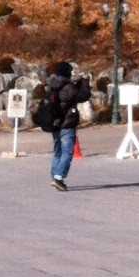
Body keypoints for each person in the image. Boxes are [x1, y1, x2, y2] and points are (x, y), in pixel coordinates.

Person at [36, 59, 89, 191]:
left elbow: (70, 94)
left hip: (55, 123)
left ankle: (55, 176)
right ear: (67, 73)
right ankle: (59, 178)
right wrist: (85, 82)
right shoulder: (68, 87)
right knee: (68, 152)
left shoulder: (53, 85)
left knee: (58, 151)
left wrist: (75, 83)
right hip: (66, 124)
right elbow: (83, 96)